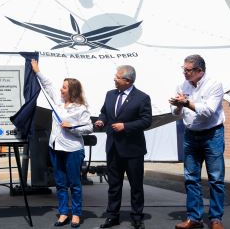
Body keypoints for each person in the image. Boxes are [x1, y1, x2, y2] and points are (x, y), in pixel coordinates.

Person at [31, 59, 93, 228]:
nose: (61, 89)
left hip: (73, 150)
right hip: (55, 148)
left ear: (71, 91)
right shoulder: (57, 102)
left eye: (64, 87)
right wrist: (37, 71)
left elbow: (89, 128)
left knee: (74, 184)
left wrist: (72, 127)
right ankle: (64, 212)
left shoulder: (81, 108)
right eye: (62, 86)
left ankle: (77, 214)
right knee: (60, 183)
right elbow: (48, 84)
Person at [169, 55, 225, 229]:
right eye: (183, 69)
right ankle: (194, 218)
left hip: (212, 134)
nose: (185, 73)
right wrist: (178, 105)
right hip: (190, 135)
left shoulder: (214, 84)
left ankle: (216, 219)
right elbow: (175, 114)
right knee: (191, 178)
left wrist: (186, 102)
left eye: (188, 70)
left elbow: (208, 111)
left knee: (215, 179)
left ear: (200, 71)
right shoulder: (182, 85)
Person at [95, 65, 152, 229]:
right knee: (114, 185)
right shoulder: (110, 94)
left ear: (127, 80)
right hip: (113, 148)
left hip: (133, 149)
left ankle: (137, 217)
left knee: (136, 186)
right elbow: (104, 112)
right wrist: (102, 120)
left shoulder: (142, 97)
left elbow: (146, 121)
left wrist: (125, 126)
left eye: (117, 77)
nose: (114, 78)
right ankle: (112, 216)